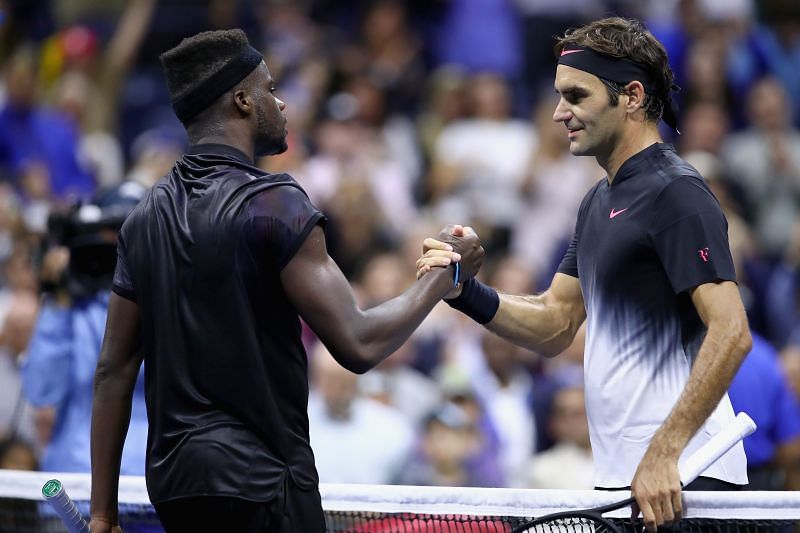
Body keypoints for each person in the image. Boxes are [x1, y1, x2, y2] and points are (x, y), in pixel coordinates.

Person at [88, 29, 483, 533]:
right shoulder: (273, 202)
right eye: (271, 90)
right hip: (263, 485)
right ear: (242, 100)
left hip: (177, 488)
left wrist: (102, 515)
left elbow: (114, 370)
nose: (281, 103)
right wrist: (447, 272)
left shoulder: (143, 216)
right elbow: (358, 344)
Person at [418, 17, 751, 532]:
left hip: (690, 482)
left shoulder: (677, 193)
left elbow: (731, 332)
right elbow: (556, 322)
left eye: (576, 95)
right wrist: (464, 291)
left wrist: (666, 451)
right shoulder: (598, 200)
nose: (558, 113)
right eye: (558, 96)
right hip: (631, 483)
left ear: (632, 96)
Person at [22, 183, 149, 475]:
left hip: (148, 482)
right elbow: (41, 392)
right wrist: (58, 296)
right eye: (113, 232)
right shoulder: (72, 301)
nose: (121, 245)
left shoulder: (169, 297)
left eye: (132, 232)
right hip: (75, 477)